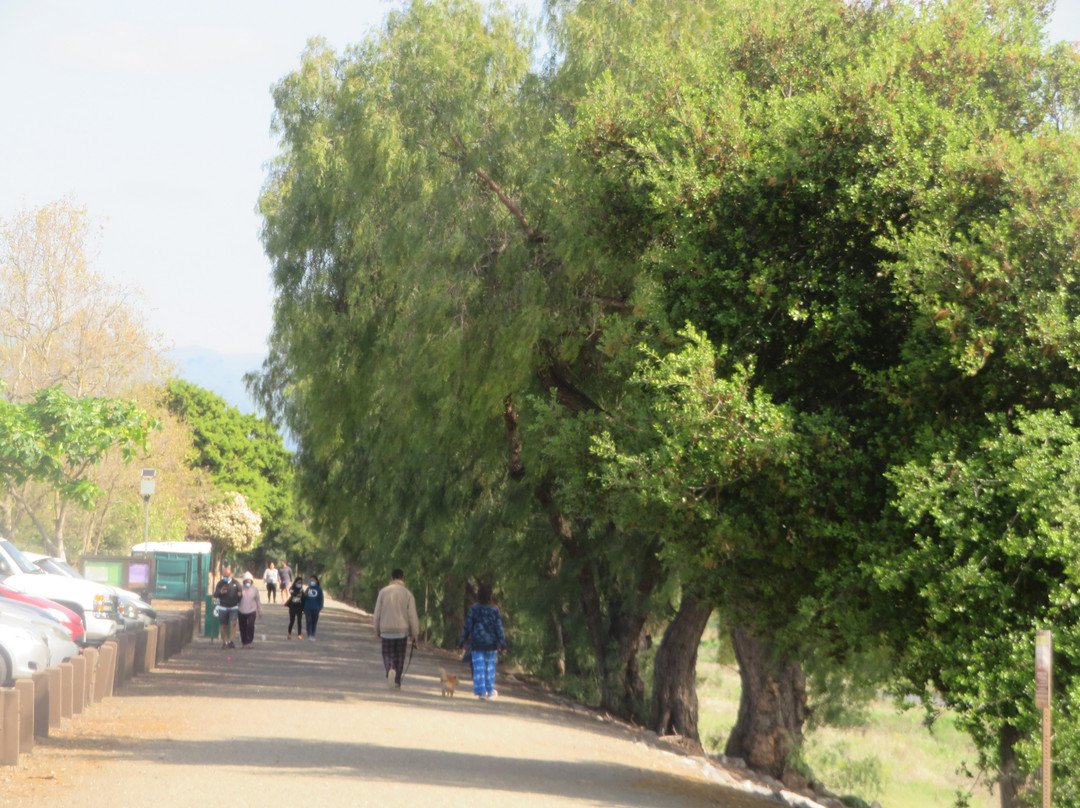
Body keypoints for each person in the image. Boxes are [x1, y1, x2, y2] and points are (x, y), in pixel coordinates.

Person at [372, 568, 419, 689]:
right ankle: (397, 680)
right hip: (402, 631)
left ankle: (389, 670)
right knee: (400, 655)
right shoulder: (408, 594)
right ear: (402, 578)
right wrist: (414, 634)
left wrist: (377, 630)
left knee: (387, 654)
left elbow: (377, 614)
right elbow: (412, 616)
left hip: (386, 630)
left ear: (391, 578)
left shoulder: (383, 592)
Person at [458, 583, 506, 700]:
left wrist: (462, 642)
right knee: (490, 667)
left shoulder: (474, 609)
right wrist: (502, 644)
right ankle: (490, 690)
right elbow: (499, 628)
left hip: (477, 643)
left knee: (478, 667)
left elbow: (467, 626)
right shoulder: (495, 610)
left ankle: (481, 692)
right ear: (490, 597)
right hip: (491, 644)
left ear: (478, 596)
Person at [213, 564, 243, 649]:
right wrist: (220, 592)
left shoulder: (236, 583)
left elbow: (240, 596)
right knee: (223, 625)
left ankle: (231, 641)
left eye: (227, 575)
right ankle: (225, 641)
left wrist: (239, 596)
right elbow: (215, 595)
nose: (226, 577)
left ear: (231, 574)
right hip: (223, 607)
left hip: (233, 607)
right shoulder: (220, 583)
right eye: (224, 575)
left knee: (233, 623)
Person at [237, 571, 263, 647]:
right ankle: (244, 642)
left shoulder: (255, 589)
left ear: (251, 581)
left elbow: (258, 601)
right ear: (243, 581)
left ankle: (249, 641)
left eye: (249, 581)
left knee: (250, 626)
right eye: (246, 581)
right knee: (242, 627)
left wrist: (260, 611)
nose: (248, 583)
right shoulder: (240, 589)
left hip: (251, 611)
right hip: (241, 611)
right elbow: (237, 600)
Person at [303, 574, 324, 641]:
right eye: (311, 580)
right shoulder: (308, 588)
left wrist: (320, 607)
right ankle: (309, 634)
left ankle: (313, 634)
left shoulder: (319, 589)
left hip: (315, 608)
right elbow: (303, 598)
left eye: (313, 580)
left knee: (314, 622)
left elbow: (321, 599)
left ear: (316, 581)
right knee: (308, 621)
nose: (311, 581)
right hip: (308, 608)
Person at [286, 575, 305, 639]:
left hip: (299, 608)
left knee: (299, 622)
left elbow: (304, 598)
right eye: (298, 583)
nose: (300, 584)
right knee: (292, 621)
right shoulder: (291, 589)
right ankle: (289, 633)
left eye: (301, 583)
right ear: (295, 582)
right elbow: (292, 594)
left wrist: (304, 609)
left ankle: (299, 634)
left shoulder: (302, 590)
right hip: (292, 607)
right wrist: (298, 592)